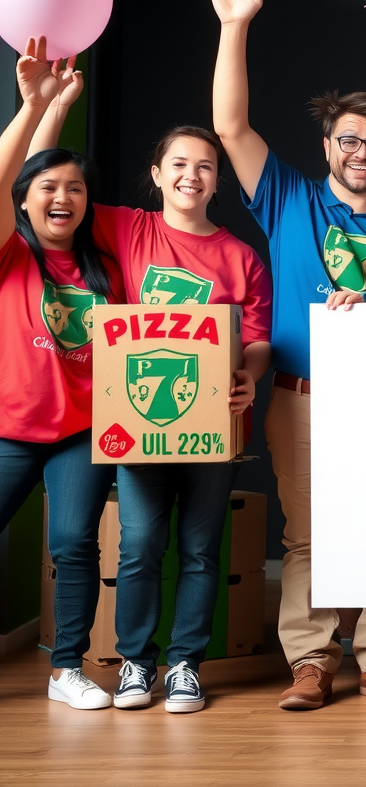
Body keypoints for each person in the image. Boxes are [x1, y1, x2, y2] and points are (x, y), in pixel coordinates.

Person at [201, 0, 366, 711]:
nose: (363, 152)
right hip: (300, 396)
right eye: (349, 140)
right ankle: (311, 661)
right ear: (328, 146)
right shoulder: (289, 202)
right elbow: (230, 124)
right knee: (306, 537)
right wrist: (234, 26)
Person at [30, 101, 274, 712]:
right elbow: (49, 179)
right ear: (158, 174)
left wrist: (247, 376)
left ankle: (186, 663)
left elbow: (261, 337)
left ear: (219, 180)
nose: (193, 175)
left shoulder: (242, 256)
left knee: (199, 548)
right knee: (139, 545)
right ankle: (138, 662)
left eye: (206, 166)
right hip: (138, 425)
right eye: (180, 164)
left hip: (214, 422)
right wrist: (45, 108)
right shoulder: (126, 229)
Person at [0, 38, 123, 709]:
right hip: (10, 426)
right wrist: (34, 106)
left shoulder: (102, 264)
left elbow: (42, 173)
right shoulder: (10, 253)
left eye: (76, 189)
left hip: (81, 431)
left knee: (76, 545)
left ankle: (67, 670)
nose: (63, 197)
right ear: (23, 202)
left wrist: (52, 115)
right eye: (48, 189)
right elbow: (12, 175)